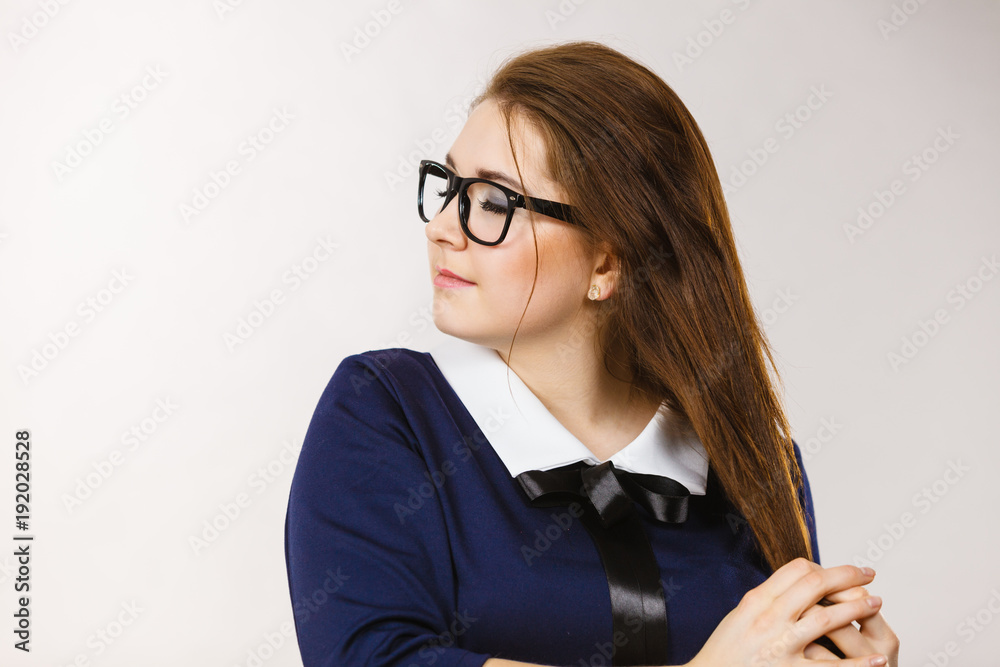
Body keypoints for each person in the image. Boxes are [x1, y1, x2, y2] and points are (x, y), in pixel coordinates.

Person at [283, 40, 899, 667]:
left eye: (494, 202)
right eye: (448, 188)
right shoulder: (388, 410)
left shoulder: (752, 460)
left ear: (605, 261)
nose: (442, 225)